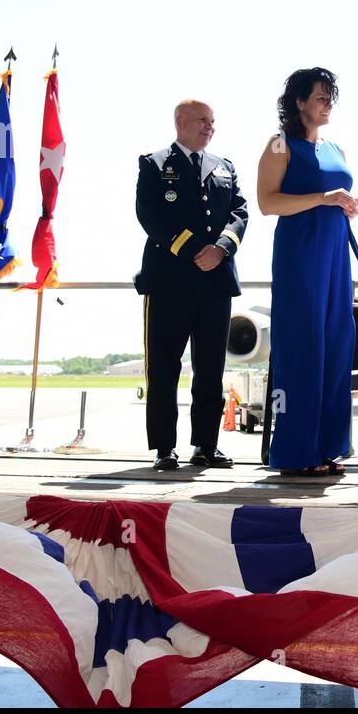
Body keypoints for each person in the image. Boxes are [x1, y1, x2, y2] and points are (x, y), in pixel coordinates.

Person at [134, 99, 248, 471]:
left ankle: (206, 445)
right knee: (164, 368)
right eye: (202, 120)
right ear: (180, 121)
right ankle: (164, 447)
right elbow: (150, 213)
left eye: (213, 121)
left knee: (210, 368)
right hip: (169, 282)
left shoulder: (224, 167)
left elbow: (239, 211)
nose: (209, 127)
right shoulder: (154, 163)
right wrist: (196, 249)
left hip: (215, 283)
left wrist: (221, 249)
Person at [257, 67, 358, 475]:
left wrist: (346, 203)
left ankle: (328, 447)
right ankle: (297, 453)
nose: (327, 104)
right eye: (320, 97)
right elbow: (267, 202)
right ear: (299, 102)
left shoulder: (336, 148)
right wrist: (324, 197)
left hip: (335, 253)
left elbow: (332, 197)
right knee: (302, 346)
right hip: (300, 254)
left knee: (336, 342)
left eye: (330, 97)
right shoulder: (280, 145)